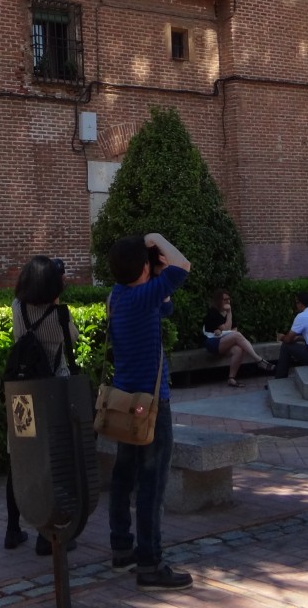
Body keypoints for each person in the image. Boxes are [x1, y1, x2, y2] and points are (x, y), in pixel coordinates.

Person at [107, 232, 193, 590]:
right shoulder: (144, 297)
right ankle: (150, 562)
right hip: (153, 404)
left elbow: (166, 303)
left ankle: (122, 549)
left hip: (124, 403)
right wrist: (155, 238)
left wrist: (152, 271)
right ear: (144, 267)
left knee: (123, 476)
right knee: (152, 485)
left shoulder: (118, 296)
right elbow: (184, 266)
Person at [3, 255, 80, 556]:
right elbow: (70, 341)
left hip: (22, 393)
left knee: (19, 458)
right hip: (52, 392)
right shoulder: (59, 315)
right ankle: (47, 535)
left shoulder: (17, 308)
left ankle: (13, 529)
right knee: (53, 462)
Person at [201, 290, 274, 386]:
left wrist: (227, 323)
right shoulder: (213, 312)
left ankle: (231, 378)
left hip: (224, 342)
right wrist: (229, 313)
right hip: (212, 342)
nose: (228, 301)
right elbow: (228, 329)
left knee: (238, 350)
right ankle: (259, 360)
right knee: (237, 335)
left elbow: (233, 330)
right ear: (219, 300)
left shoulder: (227, 314)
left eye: (229, 299)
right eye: (225, 299)